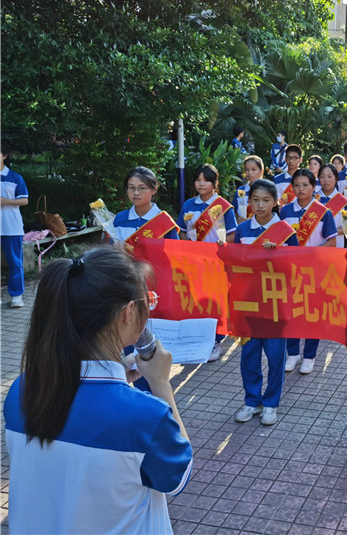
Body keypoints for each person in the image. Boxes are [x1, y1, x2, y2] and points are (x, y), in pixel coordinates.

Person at [4, 247, 192, 534]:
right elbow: (177, 477)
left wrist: (120, 388)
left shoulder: (22, 390)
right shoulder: (147, 417)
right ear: (129, 312)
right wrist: (160, 384)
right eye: (146, 302)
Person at [232, 179, 298, 426]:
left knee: (275, 356)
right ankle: (251, 401)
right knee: (249, 355)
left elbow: (296, 268)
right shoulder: (242, 230)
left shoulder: (285, 232)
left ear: (275, 202)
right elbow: (234, 264)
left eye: (266, 200)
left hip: (275, 304)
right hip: (248, 303)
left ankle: (271, 403)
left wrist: (277, 255)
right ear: (249, 201)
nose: (260, 205)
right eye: (255, 200)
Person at [176, 164, 237, 362]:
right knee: (196, 298)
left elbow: (232, 235)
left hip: (217, 260)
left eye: (206, 180)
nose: (201, 184)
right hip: (194, 260)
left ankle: (217, 339)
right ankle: (199, 338)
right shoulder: (188, 205)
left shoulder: (222, 205)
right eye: (198, 180)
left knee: (217, 299)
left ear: (214, 183)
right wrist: (188, 237)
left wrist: (223, 245)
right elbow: (181, 231)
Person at [280, 168, 337, 374]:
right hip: (292, 270)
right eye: (297, 185)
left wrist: (310, 254)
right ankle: (292, 353)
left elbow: (332, 241)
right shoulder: (285, 211)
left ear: (314, 187)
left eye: (305, 185)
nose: (301, 189)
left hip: (316, 271)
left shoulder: (323, 212)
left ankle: (310, 356)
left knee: (313, 313)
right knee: (292, 312)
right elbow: (280, 240)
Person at [0, 142, 29, 308]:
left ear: (4, 156)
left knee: (15, 262)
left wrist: (4, 201)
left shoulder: (16, 178)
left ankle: (16, 295)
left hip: (11, 227)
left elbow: (24, 200)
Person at [318, 163, 347, 248]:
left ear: (336, 178)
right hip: (315, 247)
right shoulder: (313, 199)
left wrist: (330, 231)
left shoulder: (343, 202)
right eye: (322, 177)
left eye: (330, 177)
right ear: (318, 178)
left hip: (336, 248)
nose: (326, 180)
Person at [232, 155, 266, 224]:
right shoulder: (240, 191)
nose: (250, 173)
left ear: (261, 171)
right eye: (247, 169)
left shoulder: (267, 190)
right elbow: (234, 210)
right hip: (243, 229)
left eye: (253, 169)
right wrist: (238, 218)